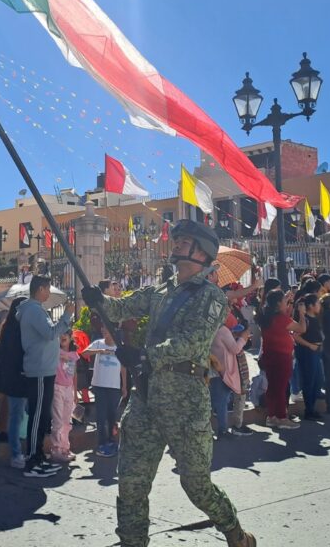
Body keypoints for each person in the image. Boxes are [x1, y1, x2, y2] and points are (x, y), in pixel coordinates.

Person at [81, 219, 257, 547]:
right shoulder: (161, 291)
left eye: (184, 241)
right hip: (146, 399)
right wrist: (98, 300)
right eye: (176, 240)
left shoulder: (211, 297)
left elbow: (191, 342)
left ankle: (235, 532)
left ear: (201, 252)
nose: (175, 245)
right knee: (131, 483)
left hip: (185, 405)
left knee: (196, 485)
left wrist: (146, 356)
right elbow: (121, 308)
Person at [17, 274, 75, 478]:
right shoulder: (33, 310)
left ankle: (39, 456)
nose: (49, 293)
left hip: (46, 370)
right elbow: (51, 334)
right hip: (40, 370)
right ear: (40, 289)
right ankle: (32, 460)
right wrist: (67, 315)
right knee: (38, 415)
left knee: (43, 417)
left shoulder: (37, 310)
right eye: (48, 289)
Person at [257, 287, 304, 429]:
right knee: (281, 388)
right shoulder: (281, 319)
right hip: (282, 356)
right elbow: (301, 328)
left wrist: (288, 301)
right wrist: (301, 314)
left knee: (273, 387)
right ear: (278, 303)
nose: (286, 302)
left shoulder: (266, 316)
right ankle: (282, 417)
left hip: (269, 356)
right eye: (284, 300)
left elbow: (284, 316)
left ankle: (272, 417)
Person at [0, 296, 29, 468]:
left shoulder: (8, 328)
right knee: (16, 416)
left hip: (12, 378)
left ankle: (19, 451)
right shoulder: (17, 331)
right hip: (18, 378)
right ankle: (16, 454)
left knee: (18, 415)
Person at [84, 327, 124, 456]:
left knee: (112, 416)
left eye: (108, 330)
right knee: (101, 416)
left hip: (114, 386)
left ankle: (112, 441)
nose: (105, 332)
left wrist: (124, 386)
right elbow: (84, 353)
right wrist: (100, 351)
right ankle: (101, 443)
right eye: (104, 330)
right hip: (99, 385)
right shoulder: (98, 343)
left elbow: (124, 368)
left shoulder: (119, 347)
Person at [210, 317, 250, 437]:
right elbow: (235, 349)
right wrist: (243, 338)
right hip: (224, 371)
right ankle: (222, 430)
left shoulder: (211, 328)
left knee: (214, 401)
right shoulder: (222, 330)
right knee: (222, 402)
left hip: (214, 369)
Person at [50, 331, 79, 462]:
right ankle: (55, 448)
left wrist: (75, 393)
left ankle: (65, 447)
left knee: (67, 421)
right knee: (57, 420)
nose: (63, 336)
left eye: (66, 334)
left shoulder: (73, 355)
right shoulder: (54, 351)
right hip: (57, 387)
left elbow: (73, 374)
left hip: (68, 389)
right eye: (61, 334)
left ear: (70, 337)